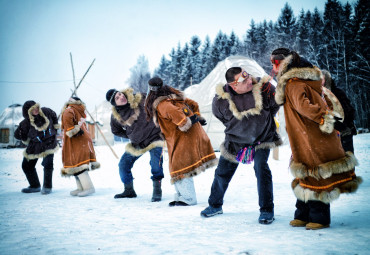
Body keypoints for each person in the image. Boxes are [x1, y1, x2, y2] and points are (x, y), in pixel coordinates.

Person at [271, 47, 362, 230]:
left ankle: (319, 218)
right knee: (305, 173)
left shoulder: (294, 84)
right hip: (306, 135)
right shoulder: (303, 80)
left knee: (314, 173)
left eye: (274, 63)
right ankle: (303, 215)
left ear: (282, 64)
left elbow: (304, 105)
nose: (272, 67)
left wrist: (323, 118)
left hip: (310, 136)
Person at [200, 67, 282, 224]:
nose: (249, 81)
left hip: (262, 138)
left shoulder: (264, 88)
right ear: (233, 85)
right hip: (235, 140)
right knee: (222, 173)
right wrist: (240, 128)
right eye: (244, 81)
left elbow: (274, 106)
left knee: (261, 168)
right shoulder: (221, 99)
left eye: (249, 77)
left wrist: (260, 123)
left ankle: (266, 210)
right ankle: (215, 205)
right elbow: (221, 117)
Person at [145, 77, 217, 206]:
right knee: (176, 165)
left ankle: (188, 198)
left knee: (180, 166)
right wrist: (196, 117)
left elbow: (176, 114)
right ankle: (181, 196)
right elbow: (194, 104)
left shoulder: (162, 104)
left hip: (182, 136)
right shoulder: (174, 97)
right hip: (186, 135)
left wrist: (185, 122)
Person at [106, 87, 164, 202]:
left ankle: (157, 190)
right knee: (123, 165)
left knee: (155, 164)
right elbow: (115, 130)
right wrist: (130, 135)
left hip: (154, 137)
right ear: (114, 103)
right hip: (138, 143)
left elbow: (156, 102)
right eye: (117, 98)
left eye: (120, 94)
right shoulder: (116, 115)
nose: (121, 97)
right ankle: (129, 190)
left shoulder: (140, 98)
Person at [14, 100, 59, 194]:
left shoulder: (46, 111)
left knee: (48, 163)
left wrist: (55, 126)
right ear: (27, 111)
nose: (36, 109)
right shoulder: (25, 123)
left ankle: (47, 187)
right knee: (26, 165)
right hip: (35, 145)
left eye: (36, 107)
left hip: (49, 142)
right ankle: (35, 185)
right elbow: (18, 135)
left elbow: (54, 115)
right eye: (32, 108)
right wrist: (21, 134)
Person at [60, 97, 100, 197]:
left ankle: (88, 187)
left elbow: (69, 126)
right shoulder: (80, 110)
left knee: (77, 163)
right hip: (81, 139)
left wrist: (71, 130)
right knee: (76, 164)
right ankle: (81, 187)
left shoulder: (69, 109)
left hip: (75, 139)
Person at [321, 70, 357, 153]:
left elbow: (349, 111)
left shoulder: (338, 93)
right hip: (330, 134)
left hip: (344, 130)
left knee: (347, 159)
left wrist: (343, 126)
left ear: (327, 79)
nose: (319, 82)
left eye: (321, 79)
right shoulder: (319, 96)